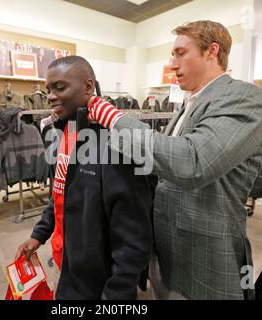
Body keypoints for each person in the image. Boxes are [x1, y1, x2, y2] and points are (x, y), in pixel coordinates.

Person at [87, 20, 262, 300]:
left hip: (203, 259)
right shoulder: (189, 103)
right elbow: (163, 164)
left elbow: (192, 162)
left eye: (180, 53)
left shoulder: (246, 98)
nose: (172, 63)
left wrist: (115, 119)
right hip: (165, 248)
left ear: (212, 51)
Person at [15, 55, 153, 300]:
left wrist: (114, 295)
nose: (50, 96)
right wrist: (40, 234)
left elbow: (133, 239)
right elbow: (59, 193)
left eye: (60, 87)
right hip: (65, 266)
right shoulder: (63, 132)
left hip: (99, 286)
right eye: (49, 89)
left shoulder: (117, 143)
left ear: (88, 87)